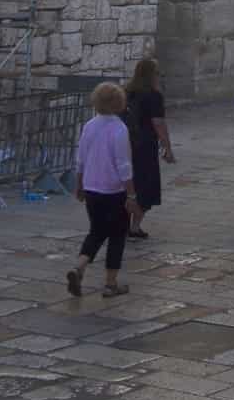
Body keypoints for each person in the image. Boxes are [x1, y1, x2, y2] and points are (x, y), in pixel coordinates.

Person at [67, 82, 138, 299]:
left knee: (96, 231)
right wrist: (131, 194)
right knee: (117, 235)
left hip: (92, 187)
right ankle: (110, 283)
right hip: (114, 190)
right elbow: (124, 165)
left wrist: (79, 184)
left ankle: (79, 266)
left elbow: (81, 159)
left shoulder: (89, 125)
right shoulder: (119, 129)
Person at [124, 55, 174, 239]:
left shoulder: (127, 91)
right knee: (145, 185)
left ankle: (124, 224)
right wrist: (167, 147)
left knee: (128, 182)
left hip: (126, 142)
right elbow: (158, 123)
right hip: (144, 145)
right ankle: (135, 226)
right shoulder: (153, 96)